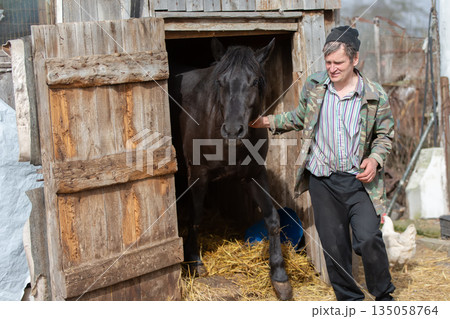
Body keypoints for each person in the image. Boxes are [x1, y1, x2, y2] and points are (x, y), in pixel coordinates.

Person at [250, 26, 395, 301]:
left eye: (338, 62)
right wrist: (267, 122)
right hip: (323, 181)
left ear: (355, 60)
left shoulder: (374, 95)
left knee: (368, 238)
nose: (332, 68)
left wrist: (375, 159)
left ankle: (384, 296)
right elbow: (300, 116)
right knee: (334, 247)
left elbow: (385, 135)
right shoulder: (316, 87)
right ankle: (349, 301)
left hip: (359, 182)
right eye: (328, 63)